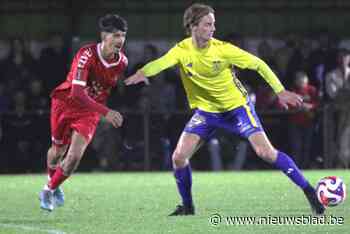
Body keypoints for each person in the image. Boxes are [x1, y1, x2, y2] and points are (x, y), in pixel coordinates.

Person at [125, 3, 325, 216]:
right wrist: (143, 72)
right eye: (208, 24)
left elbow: (259, 64)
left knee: (265, 153)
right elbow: (162, 62)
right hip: (207, 113)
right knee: (178, 157)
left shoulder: (223, 49)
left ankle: (309, 191)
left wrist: (280, 91)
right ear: (193, 26)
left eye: (214, 24)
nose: (213, 29)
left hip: (237, 108)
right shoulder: (182, 50)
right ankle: (188, 207)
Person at [39, 14, 127, 211]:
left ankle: (48, 189)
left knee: (74, 157)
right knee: (57, 152)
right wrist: (106, 112)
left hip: (89, 111)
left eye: (123, 35)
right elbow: (77, 93)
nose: (120, 40)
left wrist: (100, 110)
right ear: (104, 36)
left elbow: (104, 88)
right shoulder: (86, 54)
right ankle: (52, 179)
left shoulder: (122, 62)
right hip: (66, 103)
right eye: (115, 35)